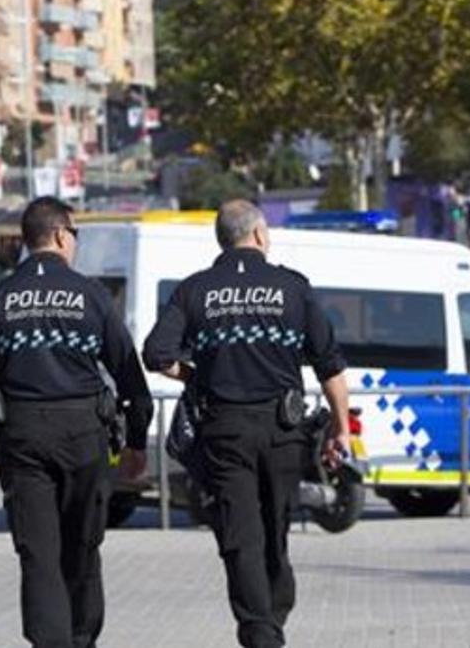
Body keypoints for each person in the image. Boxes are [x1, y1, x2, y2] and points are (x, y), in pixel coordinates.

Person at [0, 197, 153, 648]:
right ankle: (81, 638)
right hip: (84, 433)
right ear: (58, 235)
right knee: (83, 547)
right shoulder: (92, 295)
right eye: (75, 234)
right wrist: (136, 440)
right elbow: (128, 371)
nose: (75, 243)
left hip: (22, 435)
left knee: (37, 553)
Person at [142, 199, 351, 648]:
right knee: (273, 529)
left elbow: (157, 353)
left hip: (224, 430)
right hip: (282, 430)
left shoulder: (195, 290)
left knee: (240, 535)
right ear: (258, 234)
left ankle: (262, 627)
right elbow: (330, 366)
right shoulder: (293, 288)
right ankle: (265, 628)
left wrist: (197, 375)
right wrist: (341, 428)